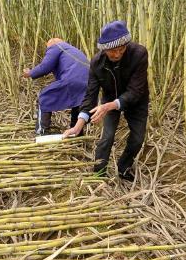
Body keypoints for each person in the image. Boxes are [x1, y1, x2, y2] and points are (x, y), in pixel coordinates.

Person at [63, 21, 149, 181]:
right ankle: (99, 173)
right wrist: (78, 125)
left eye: (121, 49)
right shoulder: (97, 63)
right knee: (107, 137)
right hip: (109, 99)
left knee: (138, 138)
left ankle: (124, 168)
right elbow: (90, 96)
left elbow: (136, 91)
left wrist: (109, 106)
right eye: (112, 51)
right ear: (104, 48)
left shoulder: (139, 53)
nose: (117, 54)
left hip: (137, 99)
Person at [22, 38, 89, 135]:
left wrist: (30, 73)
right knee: (77, 105)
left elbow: (45, 67)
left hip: (72, 80)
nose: (47, 51)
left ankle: (42, 131)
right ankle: (76, 134)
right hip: (87, 82)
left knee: (44, 97)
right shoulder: (72, 49)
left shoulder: (56, 46)